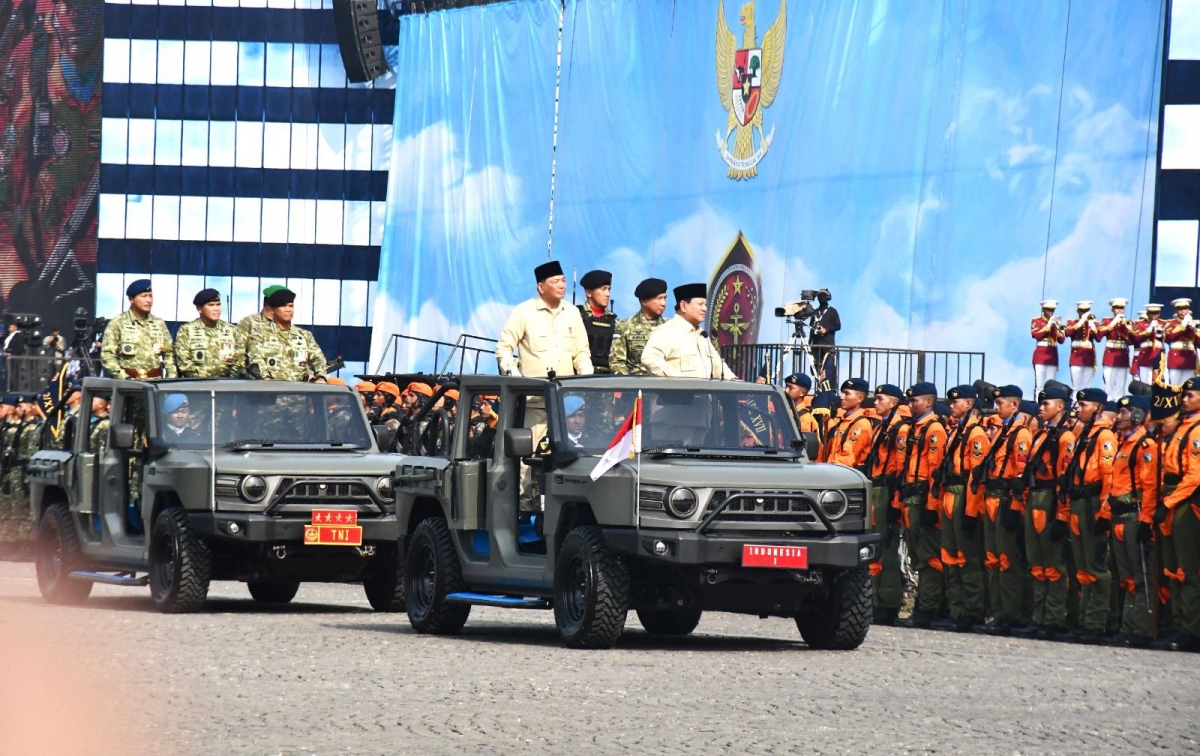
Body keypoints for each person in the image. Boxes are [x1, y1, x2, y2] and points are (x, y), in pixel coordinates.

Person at [1055, 387, 1116, 644]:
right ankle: (1084, 620)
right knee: (1082, 569)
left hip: (1093, 503)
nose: (1078, 408)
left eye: (1084, 405)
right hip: (1079, 501)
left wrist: (1104, 511)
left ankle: (1096, 622)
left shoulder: (1104, 437)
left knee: (1095, 567)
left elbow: (1109, 476)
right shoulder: (1084, 435)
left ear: (1098, 409)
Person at [929, 385, 990, 632]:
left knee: (967, 558)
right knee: (950, 556)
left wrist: (971, 511)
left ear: (969, 404)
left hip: (963, 494)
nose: (951, 406)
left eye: (956, 402)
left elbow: (976, 477)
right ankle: (957, 610)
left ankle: (973, 610)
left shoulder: (975, 434)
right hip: (949, 494)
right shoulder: (957, 431)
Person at [974, 385, 1033, 636]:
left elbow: (1019, 472)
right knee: (993, 559)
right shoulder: (1003, 430)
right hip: (992, 496)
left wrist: (1016, 505)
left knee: (1008, 560)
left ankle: (1011, 614)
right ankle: (998, 613)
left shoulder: (1020, 434)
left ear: (1015, 405)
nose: (996, 408)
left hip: (1006, 498)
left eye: (1000, 404)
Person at [1021, 385, 1075, 639]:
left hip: (1051, 499)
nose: (1041, 408)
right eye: (1040, 404)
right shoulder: (1042, 435)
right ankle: (1039, 617)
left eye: (1047, 404)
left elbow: (1064, 481)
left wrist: (1062, 515)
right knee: (1037, 562)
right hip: (1034, 498)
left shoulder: (1065, 438)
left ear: (1061, 406)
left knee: (1052, 563)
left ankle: (1053, 618)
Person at [895, 382, 947, 629]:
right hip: (910, 495)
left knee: (928, 558)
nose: (910, 404)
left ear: (928, 402)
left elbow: (935, 471)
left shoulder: (934, 429)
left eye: (915, 400)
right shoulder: (915, 428)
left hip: (922, 495)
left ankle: (927, 609)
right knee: (917, 555)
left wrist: (931, 505)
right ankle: (922, 607)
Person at [1106, 395, 1156, 647]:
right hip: (1118, 515)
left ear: (1138, 414)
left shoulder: (1143, 444)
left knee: (1140, 575)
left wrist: (1146, 520)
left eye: (1125, 412)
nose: (1119, 416)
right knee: (1125, 575)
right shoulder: (1122, 444)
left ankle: (1141, 629)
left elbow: (1148, 486)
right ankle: (1127, 626)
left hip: (1134, 514)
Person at [495, 260, 593, 378]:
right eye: (555, 282)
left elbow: (581, 353)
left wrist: (586, 378)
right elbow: (503, 347)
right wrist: (515, 376)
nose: (562, 286)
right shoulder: (523, 312)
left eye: (563, 280)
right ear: (541, 287)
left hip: (564, 392)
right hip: (533, 392)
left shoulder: (572, 313)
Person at [1158, 377, 1200, 651]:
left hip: (1185, 501)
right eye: (1183, 396)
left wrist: (1169, 502)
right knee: (1173, 568)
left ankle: (1192, 629)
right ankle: (1178, 624)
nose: (1184, 400)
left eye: (1191, 395)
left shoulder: (1197, 431)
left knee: (1188, 570)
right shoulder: (1183, 427)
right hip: (1171, 497)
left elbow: (1195, 474)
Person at [865, 383, 909, 626]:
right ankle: (875, 600)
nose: (875, 403)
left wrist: (895, 500)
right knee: (875, 548)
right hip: (876, 487)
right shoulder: (882, 427)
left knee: (887, 549)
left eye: (880, 399)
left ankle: (888, 602)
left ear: (893, 402)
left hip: (887, 489)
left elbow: (900, 467)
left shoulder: (899, 429)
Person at [641, 283, 736, 379]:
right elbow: (649, 358)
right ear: (683, 306)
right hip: (678, 393)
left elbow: (717, 366)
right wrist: (678, 381)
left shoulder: (702, 335)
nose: (704, 309)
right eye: (700, 304)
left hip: (705, 393)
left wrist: (736, 382)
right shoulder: (667, 332)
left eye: (705, 305)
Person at [245, 288, 327, 381]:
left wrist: (321, 377)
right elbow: (256, 362)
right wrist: (266, 379)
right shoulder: (259, 334)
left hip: (300, 391)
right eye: (283, 306)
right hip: (271, 390)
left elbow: (318, 359)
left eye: (291, 306)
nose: (288, 310)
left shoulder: (304, 335)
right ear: (273, 310)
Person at [100, 279, 174, 379]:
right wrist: (123, 377)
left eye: (150, 296)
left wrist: (171, 377)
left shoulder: (158, 323)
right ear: (131, 299)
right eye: (144, 296)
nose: (149, 300)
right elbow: (107, 355)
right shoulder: (118, 323)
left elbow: (169, 353)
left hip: (156, 382)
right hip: (127, 383)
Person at [175, 288, 247, 378]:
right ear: (199, 308)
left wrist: (230, 379)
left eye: (218, 305)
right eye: (211, 305)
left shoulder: (232, 330)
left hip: (226, 384)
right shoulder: (186, 331)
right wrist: (202, 380)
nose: (216, 309)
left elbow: (239, 359)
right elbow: (183, 361)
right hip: (196, 385)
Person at [610, 278, 668, 376]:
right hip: (636, 386)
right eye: (659, 298)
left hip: (664, 386)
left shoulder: (670, 327)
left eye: (665, 298)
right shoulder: (625, 326)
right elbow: (616, 363)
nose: (663, 303)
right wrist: (631, 386)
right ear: (644, 301)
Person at [577, 270, 618, 374]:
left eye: (609, 289)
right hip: (581, 376)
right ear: (588, 292)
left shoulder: (615, 321)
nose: (607, 294)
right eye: (603, 289)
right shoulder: (575, 316)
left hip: (608, 377)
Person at [1097, 298, 1132, 398]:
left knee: (1121, 384)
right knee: (1109, 383)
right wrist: (1113, 323)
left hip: (1122, 356)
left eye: (1122, 308)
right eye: (1117, 308)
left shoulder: (1127, 322)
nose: (1120, 310)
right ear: (1112, 310)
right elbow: (1100, 333)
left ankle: (1118, 406)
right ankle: (1108, 405)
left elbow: (1132, 341)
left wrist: (1128, 329)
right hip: (1110, 355)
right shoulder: (1107, 321)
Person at [1030, 300, 1064, 395]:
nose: (1051, 312)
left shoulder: (1056, 322)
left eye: (1052, 310)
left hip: (1052, 354)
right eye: (1048, 310)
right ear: (1043, 310)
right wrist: (1049, 325)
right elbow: (1036, 335)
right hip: (1041, 353)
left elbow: (1062, 340)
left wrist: (1057, 326)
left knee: (1051, 384)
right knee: (1039, 384)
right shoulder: (1037, 321)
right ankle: (1037, 403)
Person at [1063, 300, 1098, 391]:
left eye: (1086, 311)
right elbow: (1067, 333)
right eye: (1082, 311)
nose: (1084, 313)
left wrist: (1092, 326)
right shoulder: (1072, 322)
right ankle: (1075, 402)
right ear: (1078, 311)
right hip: (1076, 355)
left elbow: (1098, 338)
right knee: (1076, 384)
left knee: (1087, 385)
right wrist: (1080, 322)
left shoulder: (1093, 323)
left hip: (1088, 355)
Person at [1164, 298, 1198, 386]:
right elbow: (1169, 336)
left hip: (1189, 358)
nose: (1183, 312)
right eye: (1180, 309)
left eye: (1185, 309)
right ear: (1176, 310)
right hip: (1176, 357)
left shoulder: (1192, 324)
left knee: (1188, 387)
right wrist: (1183, 325)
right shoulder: (1170, 323)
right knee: (1175, 386)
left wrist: (1194, 329)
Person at [810, 289, 840, 387]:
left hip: (828, 345)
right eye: (819, 296)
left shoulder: (832, 311)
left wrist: (826, 330)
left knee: (829, 368)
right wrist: (809, 344)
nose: (821, 298)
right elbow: (811, 328)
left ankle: (831, 388)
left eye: (823, 296)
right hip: (816, 345)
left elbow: (838, 326)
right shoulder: (815, 312)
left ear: (827, 298)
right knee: (816, 369)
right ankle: (818, 388)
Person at [1132, 303, 1165, 383]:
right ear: (1147, 314)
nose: (1154, 316)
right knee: (1145, 382)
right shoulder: (1140, 324)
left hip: (1158, 355)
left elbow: (1168, 338)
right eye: (1151, 313)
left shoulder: (1164, 323)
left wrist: (1160, 329)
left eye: (1156, 313)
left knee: (1158, 383)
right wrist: (1149, 328)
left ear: (1159, 314)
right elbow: (1136, 337)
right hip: (1145, 356)